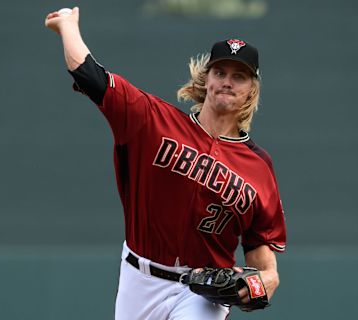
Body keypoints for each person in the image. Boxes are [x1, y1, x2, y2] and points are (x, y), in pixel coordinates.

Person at [45, 7, 286, 320]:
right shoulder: (153, 120)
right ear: (206, 79)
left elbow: (261, 250)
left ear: (251, 90)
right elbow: (91, 76)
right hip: (140, 278)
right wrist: (67, 26)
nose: (228, 81)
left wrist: (268, 278)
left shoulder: (259, 167)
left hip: (202, 294)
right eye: (220, 73)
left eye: (239, 76)